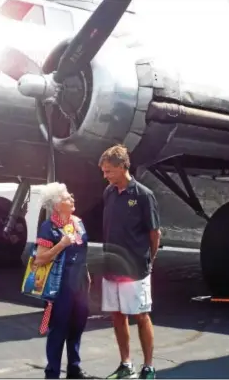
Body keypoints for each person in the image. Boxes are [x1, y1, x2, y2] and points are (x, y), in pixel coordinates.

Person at [98, 145, 161, 379]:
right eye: (104, 172)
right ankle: (126, 364)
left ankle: (149, 367)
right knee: (117, 314)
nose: (105, 176)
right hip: (111, 267)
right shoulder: (109, 193)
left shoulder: (144, 195)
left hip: (135, 269)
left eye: (109, 171)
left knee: (141, 315)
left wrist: (148, 260)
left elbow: (155, 234)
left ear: (123, 167)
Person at [35, 182, 92, 379]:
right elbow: (40, 258)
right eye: (68, 197)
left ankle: (74, 368)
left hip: (80, 282)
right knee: (59, 328)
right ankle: (52, 373)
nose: (72, 199)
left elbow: (83, 251)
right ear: (57, 205)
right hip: (60, 285)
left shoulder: (78, 222)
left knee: (78, 324)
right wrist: (61, 244)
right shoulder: (48, 227)